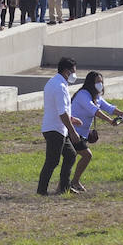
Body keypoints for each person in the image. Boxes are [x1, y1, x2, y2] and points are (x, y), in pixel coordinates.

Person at [69, 71, 123, 193]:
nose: (100, 84)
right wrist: (110, 121)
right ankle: (73, 182)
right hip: (72, 132)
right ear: (90, 83)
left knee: (73, 158)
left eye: (101, 82)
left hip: (81, 134)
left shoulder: (96, 97)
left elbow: (109, 108)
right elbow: (94, 110)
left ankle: (71, 183)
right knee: (86, 155)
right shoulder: (83, 94)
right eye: (98, 82)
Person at [37, 57, 83, 196]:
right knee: (52, 161)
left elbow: (59, 110)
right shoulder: (60, 87)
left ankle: (64, 187)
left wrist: (71, 119)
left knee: (70, 155)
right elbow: (62, 112)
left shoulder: (52, 82)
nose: (74, 75)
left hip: (55, 127)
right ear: (66, 71)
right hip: (55, 129)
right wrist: (72, 131)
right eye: (73, 72)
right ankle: (41, 191)